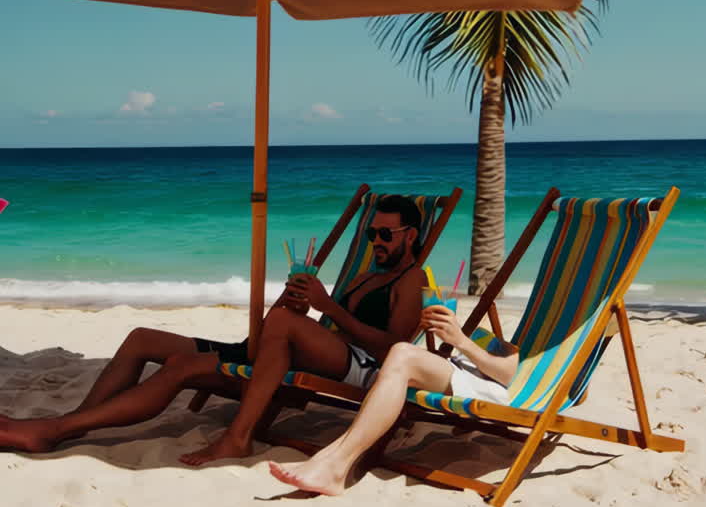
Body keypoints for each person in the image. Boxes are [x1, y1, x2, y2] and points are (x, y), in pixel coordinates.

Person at [0, 196, 426, 459]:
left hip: (366, 367)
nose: (376, 242)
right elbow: (303, 325)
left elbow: (396, 348)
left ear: (411, 235)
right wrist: (294, 303)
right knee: (141, 339)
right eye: (371, 234)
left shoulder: (411, 280)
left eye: (385, 235)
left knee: (193, 362)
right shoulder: (366, 274)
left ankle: (237, 438)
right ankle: (74, 423)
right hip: (307, 351)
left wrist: (327, 306)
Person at [267, 302, 519, 496]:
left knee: (402, 354)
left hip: (485, 387)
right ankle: (328, 458)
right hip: (459, 371)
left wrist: (461, 340)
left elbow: (507, 374)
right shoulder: (503, 332)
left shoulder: (542, 341)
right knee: (401, 356)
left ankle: (337, 465)